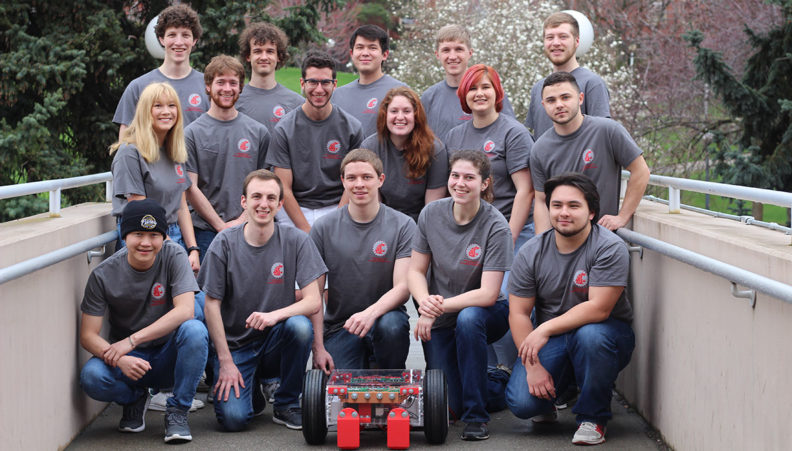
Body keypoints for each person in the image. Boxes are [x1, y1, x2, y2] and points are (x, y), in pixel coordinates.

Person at [505, 173, 635, 446]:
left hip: (606, 334)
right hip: (556, 339)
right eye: (557, 205)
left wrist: (545, 328)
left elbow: (599, 308)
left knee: (590, 337)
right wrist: (533, 367)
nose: (564, 213)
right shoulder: (531, 252)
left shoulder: (609, 247)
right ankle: (556, 393)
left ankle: (593, 417)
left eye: (574, 206)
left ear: (591, 212)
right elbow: (517, 313)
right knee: (522, 403)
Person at [199, 169, 326, 432]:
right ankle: (252, 390)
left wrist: (274, 316)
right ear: (244, 201)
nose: (263, 204)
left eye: (271, 198)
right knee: (234, 420)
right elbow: (210, 304)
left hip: (273, 339)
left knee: (299, 327)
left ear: (281, 204)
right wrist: (225, 361)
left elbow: (313, 300)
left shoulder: (296, 240)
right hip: (235, 347)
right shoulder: (223, 242)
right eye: (256, 196)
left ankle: (287, 402)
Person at [79, 199, 209, 444]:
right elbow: (88, 335)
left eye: (154, 235)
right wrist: (120, 357)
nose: (146, 243)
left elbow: (185, 311)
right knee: (92, 377)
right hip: (129, 361)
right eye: (138, 234)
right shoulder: (103, 274)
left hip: (168, 354)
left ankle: (178, 411)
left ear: (163, 237)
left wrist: (131, 341)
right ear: (124, 235)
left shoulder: (174, 255)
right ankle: (134, 398)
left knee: (195, 330)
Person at [408, 149, 513, 441]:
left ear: (484, 184)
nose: (460, 183)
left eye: (470, 177)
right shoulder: (431, 213)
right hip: (441, 314)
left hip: (484, 313)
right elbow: (416, 272)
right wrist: (425, 305)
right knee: (448, 404)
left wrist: (432, 310)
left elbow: (489, 294)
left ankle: (477, 418)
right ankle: (494, 381)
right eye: (455, 175)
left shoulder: (496, 226)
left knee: (468, 320)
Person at [310, 149, 416, 372]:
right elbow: (314, 295)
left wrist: (370, 314)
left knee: (392, 326)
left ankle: (388, 371)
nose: (359, 184)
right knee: (344, 396)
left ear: (380, 180)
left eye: (367, 177)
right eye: (351, 178)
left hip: (385, 319)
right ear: (343, 181)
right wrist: (317, 347)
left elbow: (403, 287)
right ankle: (366, 361)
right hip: (341, 326)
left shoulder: (403, 225)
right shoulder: (323, 228)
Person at [530, 71, 650, 234]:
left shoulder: (608, 131)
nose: (559, 104)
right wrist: (542, 245)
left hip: (602, 239)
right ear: (543, 105)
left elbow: (640, 171)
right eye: (551, 100)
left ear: (580, 98)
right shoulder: (539, 149)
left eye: (565, 97)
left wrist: (622, 217)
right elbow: (541, 200)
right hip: (562, 242)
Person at [266, 51, 364, 232]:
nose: (319, 89)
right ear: (302, 84)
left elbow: (353, 183)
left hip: (336, 207)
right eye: (313, 82)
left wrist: (336, 224)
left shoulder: (351, 127)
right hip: (295, 207)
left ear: (335, 85)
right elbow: (284, 189)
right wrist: (307, 232)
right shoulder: (284, 129)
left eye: (325, 82)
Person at [185, 55, 270, 261]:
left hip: (250, 228)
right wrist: (221, 226)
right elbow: (190, 188)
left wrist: (242, 220)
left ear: (241, 87)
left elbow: (266, 184)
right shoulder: (191, 133)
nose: (227, 88)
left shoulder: (259, 132)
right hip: (205, 232)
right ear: (208, 86)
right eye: (220, 82)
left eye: (233, 83)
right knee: (209, 293)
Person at [110, 82, 200, 274]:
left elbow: (181, 206)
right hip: (145, 239)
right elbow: (140, 210)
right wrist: (174, 250)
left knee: (193, 300)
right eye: (158, 106)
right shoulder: (130, 153)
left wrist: (193, 249)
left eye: (171, 105)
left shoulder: (174, 152)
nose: (166, 111)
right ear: (145, 111)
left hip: (173, 236)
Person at [446, 64, 534, 250]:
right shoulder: (454, 136)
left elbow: (525, 190)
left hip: (511, 228)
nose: (479, 93)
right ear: (464, 94)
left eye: (486, 87)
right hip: (471, 230)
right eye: (472, 88)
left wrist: (509, 237)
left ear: (497, 92)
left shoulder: (514, 133)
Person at [113, 4, 207, 140]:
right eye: (172, 35)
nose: (179, 42)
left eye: (186, 35)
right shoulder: (138, 87)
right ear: (162, 39)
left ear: (194, 40)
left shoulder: (208, 87)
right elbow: (124, 145)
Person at [359, 86, 448, 221]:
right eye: (394, 111)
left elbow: (432, 210)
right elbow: (373, 204)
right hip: (382, 221)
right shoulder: (370, 148)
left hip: (420, 224)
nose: (400, 117)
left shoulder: (435, 150)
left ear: (416, 115)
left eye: (407, 111)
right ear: (385, 115)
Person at [524, 11, 610, 140]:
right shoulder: (538, 89)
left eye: (563, 36)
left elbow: (602, 136)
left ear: (577, 41)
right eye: (550, 37)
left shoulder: (592, 84)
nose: (556, 43)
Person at [421, 25, 515, 142]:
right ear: (437, 55)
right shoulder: (428, 98)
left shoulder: (490, 94)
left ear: (470, 53)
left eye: (459, 49)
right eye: (446, 50)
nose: (453, 56)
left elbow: (511, 134)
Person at [332, 25, 407, 137]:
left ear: (385, 55)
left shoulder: (400, 91)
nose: (365, 53)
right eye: (360, 47)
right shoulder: (338, 96)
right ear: (352, 54)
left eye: (372, 48)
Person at [235, 22, 304, 133]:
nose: (264, 57)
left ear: (279, 57)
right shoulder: (234, 100)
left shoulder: (296, 103)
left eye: (270, 51)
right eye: (257, 51)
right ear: (248, 56)